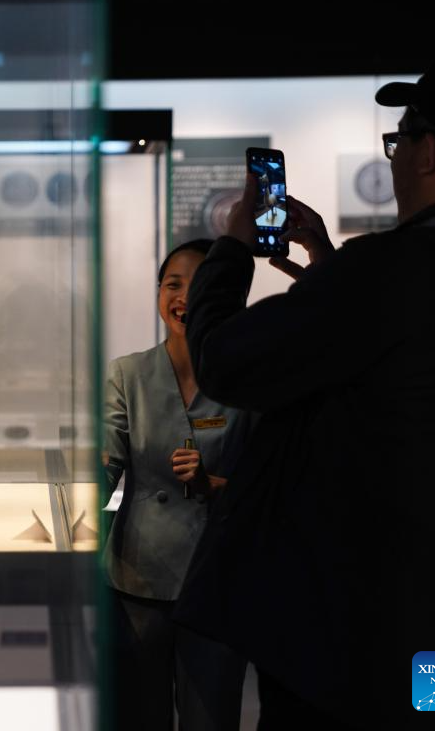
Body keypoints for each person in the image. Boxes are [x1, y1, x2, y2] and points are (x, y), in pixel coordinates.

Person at [174, 48, 435, 729]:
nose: (394, 159)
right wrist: (329, 272)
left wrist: (232, 248)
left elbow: (225, 362)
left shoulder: (390, 271)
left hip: (356, 636)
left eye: (399, 141)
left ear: (430, 152)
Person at [104, 239, 254, 731]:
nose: (184, 297)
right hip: (138, 580)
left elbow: (269, 483)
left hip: (218, 582)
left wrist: (217, 485)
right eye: (173, 284)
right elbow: (106, 461)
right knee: (138, 716)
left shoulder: (250, 381)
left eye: (201, 284)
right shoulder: (128, 374)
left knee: (211, 717)